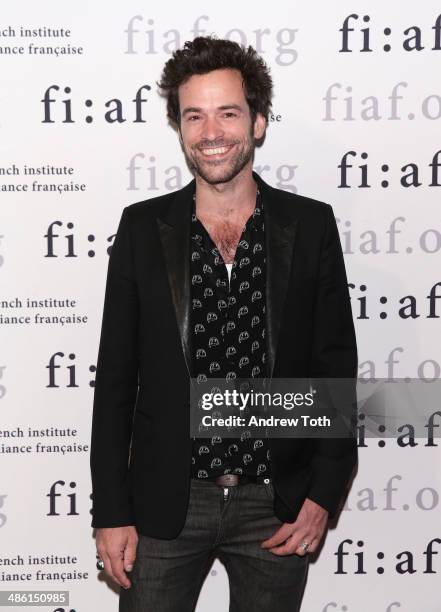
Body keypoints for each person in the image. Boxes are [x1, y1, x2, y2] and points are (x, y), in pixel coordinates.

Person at [90, 35, 358, 612]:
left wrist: (323, 494)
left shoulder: (309, 226)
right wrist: (110, 511)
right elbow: (115, 382)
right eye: (195, 116)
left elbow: (334, 366)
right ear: (180, 128)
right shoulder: (142, 229)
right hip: (166, 504)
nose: (212, 132)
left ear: (258, 122)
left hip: (276, 503)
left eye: (228, 113)